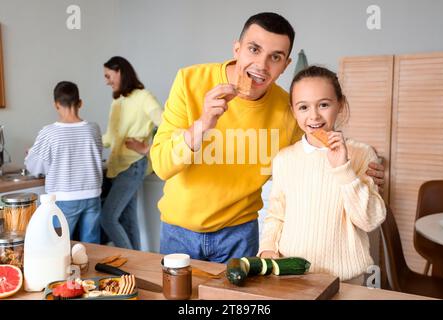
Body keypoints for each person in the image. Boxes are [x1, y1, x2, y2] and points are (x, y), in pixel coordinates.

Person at [150, 12, 385, 263]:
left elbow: (313, 158)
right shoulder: (189, 81)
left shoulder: (289, 108)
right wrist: (202, 124)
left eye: (275, 57)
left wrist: (361, 172)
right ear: (237, 49)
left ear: (285, 64)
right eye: (253, 49)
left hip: (239, 236)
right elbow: (162, 166)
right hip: (178, 233)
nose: (261, 65)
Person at [258, 66, 386, 284]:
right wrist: (267, 249)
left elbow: (368, 220)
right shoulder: (284, 159)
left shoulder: (362, 154)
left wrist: (343, 168)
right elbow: (276, 214)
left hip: (345, 280)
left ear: (340, 105)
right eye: (303, 107)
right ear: (293, 110)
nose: (314, 116)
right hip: (292, 276)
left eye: (324, 105)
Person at [25, 81, 103, 243]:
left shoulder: (50, 132)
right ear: (80, 103)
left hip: (65, 197)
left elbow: (35, 166)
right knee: (92, 246)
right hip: (93, 195)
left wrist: (30, 154)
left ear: (56, 104)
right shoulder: (93, 129)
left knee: (58, 244)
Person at [101, 56, 163, 250]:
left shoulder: (144, 97)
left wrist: (146, 148)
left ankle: (128, 262)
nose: (107, 81)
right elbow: (110, 138)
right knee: (128, 220)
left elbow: (166, 125)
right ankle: (136, 267)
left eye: (108, 75)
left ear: (119, 71)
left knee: (107, 218)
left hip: (133, 166)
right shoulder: (117, 102)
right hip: (116, 167)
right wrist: (83, 139)